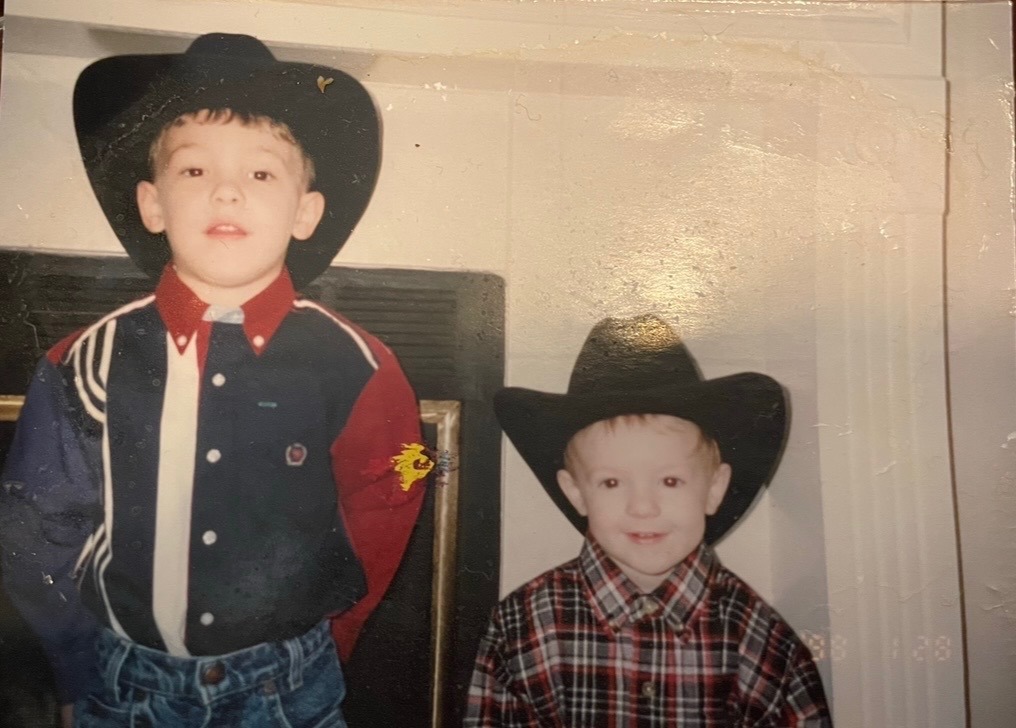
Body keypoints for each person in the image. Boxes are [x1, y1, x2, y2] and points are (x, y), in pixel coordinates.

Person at [0, 33, 428, 727]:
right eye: (195, 169)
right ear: (152, 204)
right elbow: (36, 524)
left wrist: (339, 631)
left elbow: (398, 485)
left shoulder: (362, 365)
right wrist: (73, 667)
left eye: (261, 173)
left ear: (305, 212)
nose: (227, 190)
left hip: (292, 689)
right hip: (125, 689)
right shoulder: (81, 360)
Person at [466, 314, 831, 727]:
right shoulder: (521, 626)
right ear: (575, 492)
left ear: (714, 488)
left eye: (670, 481)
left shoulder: (762, 641)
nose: (643, 507)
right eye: (612, 482)